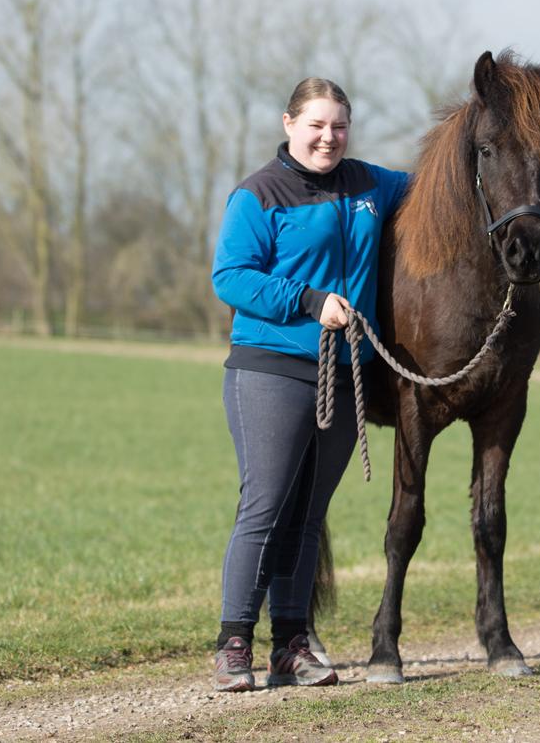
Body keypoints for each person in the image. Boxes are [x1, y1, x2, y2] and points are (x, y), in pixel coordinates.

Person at [209, 78, 410, 691]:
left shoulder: (372, 184)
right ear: (289, 123)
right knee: (266, 507)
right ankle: (233, 644)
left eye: (340, 126)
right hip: (271, 368)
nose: (329, 137)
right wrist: (308, 300)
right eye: (317, 124)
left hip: (345, 374)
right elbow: (230, 278)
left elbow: (441, 183)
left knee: (308, 515)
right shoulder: (259, 194)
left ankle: (290, 645)